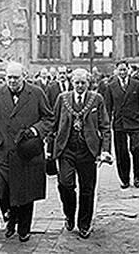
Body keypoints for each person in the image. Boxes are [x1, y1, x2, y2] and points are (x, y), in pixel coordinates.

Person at [0, 62, 53, 243]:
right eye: (9, 78)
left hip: (26, 152)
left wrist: (35, 130)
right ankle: (10, 215)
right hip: (2, 150)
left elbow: (49, 118)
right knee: (1, 187)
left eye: (16, 78)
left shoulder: (36, 93)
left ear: (24, 77)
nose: (12, 81)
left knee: (25, 191)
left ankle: (24, 227)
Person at [52, 68, 111, 238]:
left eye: (83, 83)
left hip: (88, 151)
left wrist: (105, 150)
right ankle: (69, 215)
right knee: (65, 184)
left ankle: (84, 223)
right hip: (66, 150)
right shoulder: (62, 99)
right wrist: (49, 149)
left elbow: (105, 126)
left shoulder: (96, 99)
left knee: (87, 189)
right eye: (76, 83)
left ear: (88, 83)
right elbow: (53, 124)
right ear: (72, 83)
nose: (79, 86)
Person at [105, 61, 139, 189]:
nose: (122, 72)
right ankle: (124, 179)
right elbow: (108, 107)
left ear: (128, 70)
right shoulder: (111, 86)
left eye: (124, 70)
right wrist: (106, 124)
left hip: (135, 122)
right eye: (120, 70)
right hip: (119, 123)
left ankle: (137, 175)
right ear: (116, 71)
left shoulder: (137, 85)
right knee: (121, 152)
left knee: (136, 149)